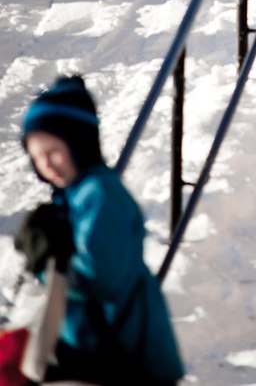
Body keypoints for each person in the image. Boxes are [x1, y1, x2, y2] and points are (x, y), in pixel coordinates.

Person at [14, 75, 184, 386]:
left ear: (78, 141)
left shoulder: (100, 194)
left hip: (125, 347)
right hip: (95, 343)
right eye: (36, 157)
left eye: (52, 151)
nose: (46, 164)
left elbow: (101, 276)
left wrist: (46, 262)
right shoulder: (74, 196)